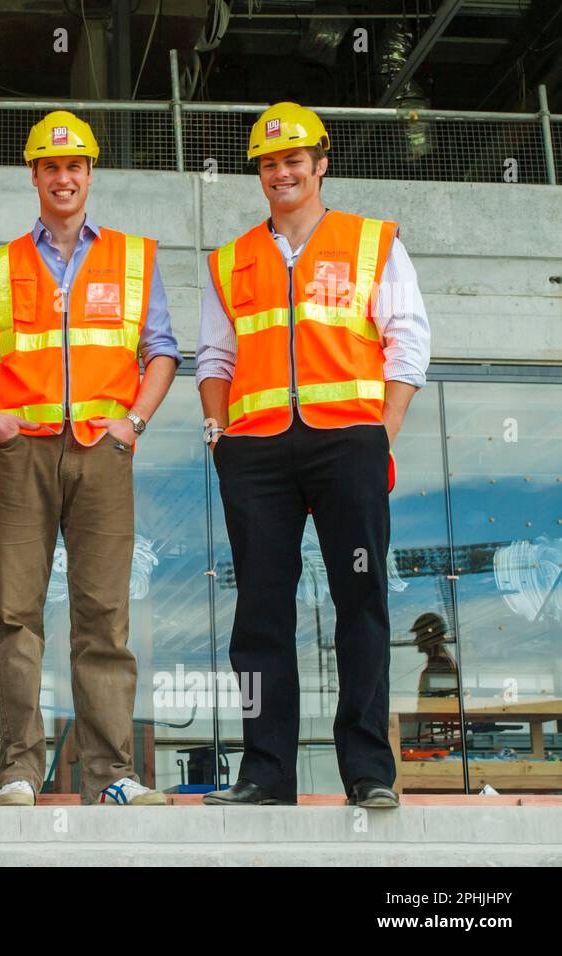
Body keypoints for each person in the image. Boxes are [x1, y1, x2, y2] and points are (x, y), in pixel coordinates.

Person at [197, 103, 431, 809]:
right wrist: (218, 429)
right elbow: (214, 354)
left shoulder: (373, 242)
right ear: (259, 174)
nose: (282, 172)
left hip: (346, 446)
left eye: (294, 159)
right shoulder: (231, 259)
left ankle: (368, 772)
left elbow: (408, 341)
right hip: (258, 453)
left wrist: (381, 433)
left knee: (359, 602)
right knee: (260, 614)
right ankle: (266, 773)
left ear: (321, 164)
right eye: (269, 163)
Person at [0, 111, 179, 807]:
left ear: (90, 175)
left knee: (104, 614)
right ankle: (18, 770)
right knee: (16, 613)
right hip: (23, 453)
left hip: (101, 454)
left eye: (75, 166)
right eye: (51, 167)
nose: (63, 177)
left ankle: (110, 775)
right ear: (35, 176)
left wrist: (132, 422)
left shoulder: (135, 257)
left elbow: (162, 350)